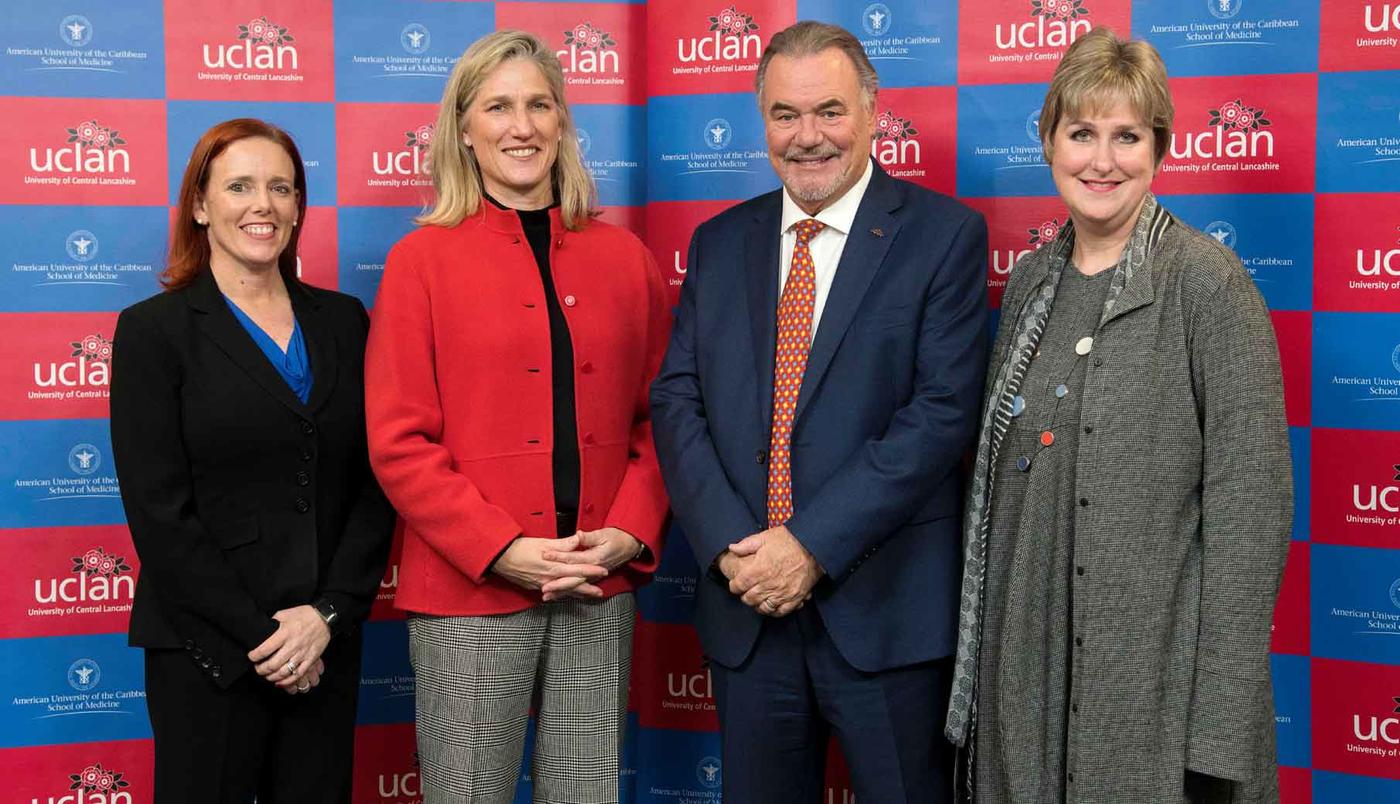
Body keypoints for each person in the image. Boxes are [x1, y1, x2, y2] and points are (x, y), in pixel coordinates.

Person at [943, 28, 1292, 804]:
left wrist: (1220, 730)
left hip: (1154, 687)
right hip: (1023, 675)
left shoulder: (1208, 283)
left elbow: (1251, 515)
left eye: (1127, 136)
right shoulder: (1033, 280)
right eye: (1081, 133)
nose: (1102, 160)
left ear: (1160, 148)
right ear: (1048, 142)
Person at [650, 20, 989, 803]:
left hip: (885, 613)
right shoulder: (718, 241)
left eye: (830, 112)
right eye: (785, 115)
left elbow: (940, 414)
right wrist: (736, 550)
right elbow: (677, 398)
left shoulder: (943, 237)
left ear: (873, 113)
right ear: (761, 118)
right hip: (747, 614)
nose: (808, 137)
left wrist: (808, 546)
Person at [364, 30, 670, 804]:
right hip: (470, 592)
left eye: (539, 104)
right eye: (498, 106)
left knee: (584, 793)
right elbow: (399, 442)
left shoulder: (624, 258)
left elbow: (664, 417)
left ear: (563, 121)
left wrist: (630, 532)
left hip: (597, 582)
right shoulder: (420, 262)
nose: (522, 125)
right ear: (464, 128)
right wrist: (502, 548)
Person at [110, 118, 395, 803]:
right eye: (239, 186)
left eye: (281, 187)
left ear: (299, 207)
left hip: (323, 649)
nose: (262, 204)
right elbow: (159, 513)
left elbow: (377, 482)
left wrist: (324, 617)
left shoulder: (346, 321)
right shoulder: (154, 332)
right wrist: (266, 639)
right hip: (207, 653)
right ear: (202, 207)